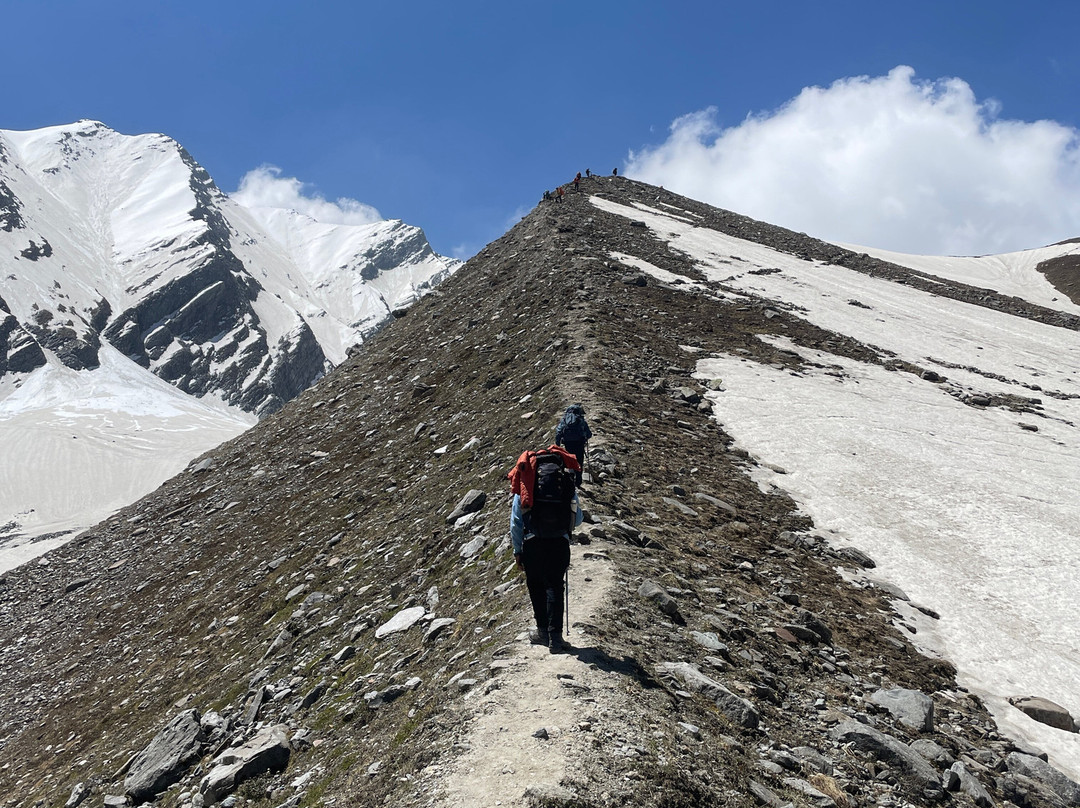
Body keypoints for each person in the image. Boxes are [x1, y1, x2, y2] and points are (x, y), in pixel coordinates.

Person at [508, 446, 584, 653]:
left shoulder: (526, 481)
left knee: (536, 585)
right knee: (555, 587)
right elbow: (577, 518)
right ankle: (556, 638)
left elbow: (516, 521)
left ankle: (542, 632)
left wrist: (517, 551)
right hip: (559, 541)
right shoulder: (564, 481)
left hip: (532, 542)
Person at [554, 403, 592, 485]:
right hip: (579, 443)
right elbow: (589, 434)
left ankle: (571, 477)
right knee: (579, 460)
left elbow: (558, 432)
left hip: (568, 444)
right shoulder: (581, 420)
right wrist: (585, 436)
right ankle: (578, 480)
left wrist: (557, 445)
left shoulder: (564, 420)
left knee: (570, 459)